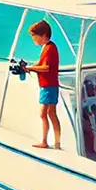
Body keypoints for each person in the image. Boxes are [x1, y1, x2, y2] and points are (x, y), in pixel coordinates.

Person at [24, 20, 61, 149]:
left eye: (35, 37)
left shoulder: (49, 48)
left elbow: (46, 68)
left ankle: (45, 141)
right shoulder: (48, 47)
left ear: (43, 35)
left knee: (44, 114)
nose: (34, 40)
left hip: (48, 86)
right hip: (50, 85)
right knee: (51, 113)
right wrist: (33, 66)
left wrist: (32, 68)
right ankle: (57, 142)